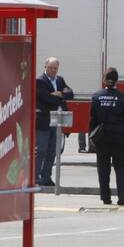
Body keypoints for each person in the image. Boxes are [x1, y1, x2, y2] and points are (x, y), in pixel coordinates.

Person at [89, 68, 124, 206]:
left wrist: (91, 136)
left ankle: (105, 197)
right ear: (117, 80)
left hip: (102, 136)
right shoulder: (123, 97)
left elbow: (92, 119)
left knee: (103, 168)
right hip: (119, 136)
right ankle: (122, 197)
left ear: (104, 79)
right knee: (120, 168)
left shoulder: (96, 96)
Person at [35, 57, 74, 189]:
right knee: (41, 150)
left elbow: (71, 94)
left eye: (55, 68)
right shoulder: (39, 81)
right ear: (45, 67)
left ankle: (47, 177)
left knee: (53, 151)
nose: (53, 70)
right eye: (50, 67)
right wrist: (58, 97)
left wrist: (59, 94)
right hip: (44, 121)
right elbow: (44, 98)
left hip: (56, 122)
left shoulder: (60, 80)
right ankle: (36, 177)